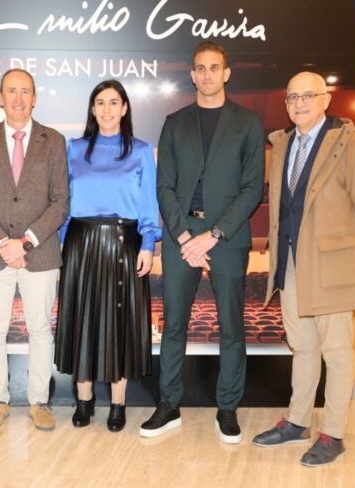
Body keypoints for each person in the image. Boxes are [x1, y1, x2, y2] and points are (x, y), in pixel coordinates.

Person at [253, 72, 355, 466]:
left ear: (326, 100)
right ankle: (297, 422)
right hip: (291, 265)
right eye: (292, 97)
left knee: (337, 351)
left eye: (308, 96)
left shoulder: (348, 144)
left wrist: (348, 259)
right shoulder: (282, 144)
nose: (299, 103)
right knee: (304, 346)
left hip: (332, 269)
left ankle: (335, 432)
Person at [141, 41, 265, 442]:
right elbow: (165, 185)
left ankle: (227, 407)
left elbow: (251, 189)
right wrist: (182, 235)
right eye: (200, 68)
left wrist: (212, 235)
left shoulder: (247, 122)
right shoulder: (175, 122)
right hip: (181, 236)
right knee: (173, 324)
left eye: (215, 67)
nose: (208, 74)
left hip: (226, 238)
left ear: (226, 73)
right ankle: (169, 404)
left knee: (232, 327)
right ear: (192, 75)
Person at [54, 80, 160, 432]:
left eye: (114, 102)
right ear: (92, 108)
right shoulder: (74, 149)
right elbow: (64, 206)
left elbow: (149, 202)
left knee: (121, 326)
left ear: (125, 108)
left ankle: (118, 404)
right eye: (100, 102)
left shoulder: (142, 150)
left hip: (123, 243)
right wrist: (60, 247)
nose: (107, 109)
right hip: (81, 244)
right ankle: (83, 400)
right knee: (82, 321)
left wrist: (148, 244)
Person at [0, 69, 69, 432]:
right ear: (0, 97)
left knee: (40, 329)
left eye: (26, 91)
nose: (19, 98)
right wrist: (2, 243)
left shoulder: (53, 140)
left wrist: (24, 241)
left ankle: (39, 401)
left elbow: (60, 203)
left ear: (35, 98)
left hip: (38, 253)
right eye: (12, 91)